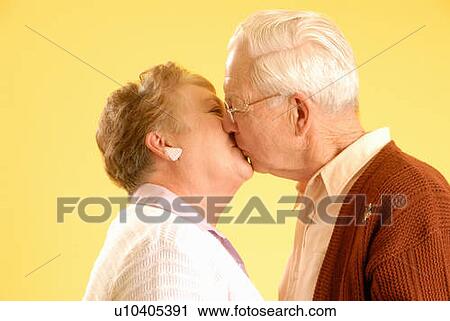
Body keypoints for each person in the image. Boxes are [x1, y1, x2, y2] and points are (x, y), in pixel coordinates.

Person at [223, 10, 450, 300]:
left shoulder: (412, 198)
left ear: (298, 113)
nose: (229, 125)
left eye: (235, 107)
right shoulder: (322, 195)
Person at [83, 62, 262, 300]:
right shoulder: (166, 245)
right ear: (164, 143)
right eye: (215, 111)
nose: (232, 123)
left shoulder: (163, 236)